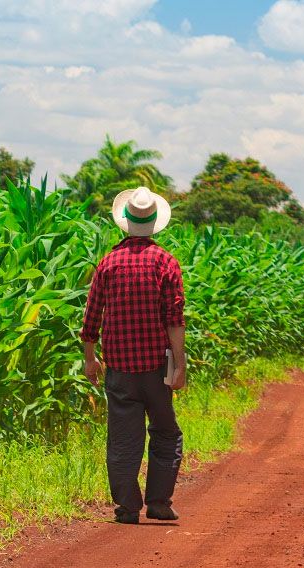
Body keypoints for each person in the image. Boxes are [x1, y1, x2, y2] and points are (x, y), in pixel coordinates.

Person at [79, 187, 188, 524]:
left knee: (124, 437)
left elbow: (91, 317)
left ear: (125, 222)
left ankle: (127, 508)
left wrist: (90, 359)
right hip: (156, 369)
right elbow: (174, 320)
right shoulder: (166, 263)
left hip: (120, 371)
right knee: (166, 433)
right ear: (155, 223)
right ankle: (158, 502)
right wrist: (180, 365)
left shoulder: (107, 263)